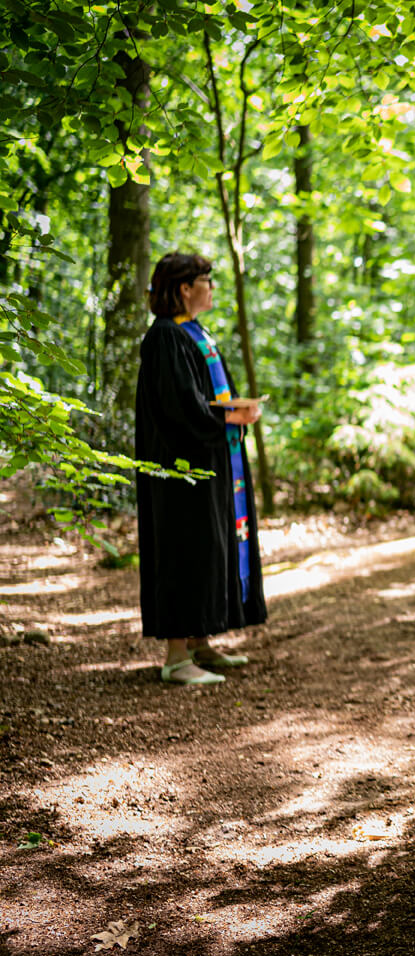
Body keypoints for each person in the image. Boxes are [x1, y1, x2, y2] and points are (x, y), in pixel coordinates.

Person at [135, 252, 266, 685]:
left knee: (210, 546)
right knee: (183, 549)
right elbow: (177, 408)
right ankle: (175, 657)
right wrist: (230, 416)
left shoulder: (195, 332)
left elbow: (204, 395)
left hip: (210, 460)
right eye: (205, 280)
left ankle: (200, 640)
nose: (211, 287)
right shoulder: (164, 338)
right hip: (179, 467)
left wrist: (233, 412)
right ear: (184, 288)